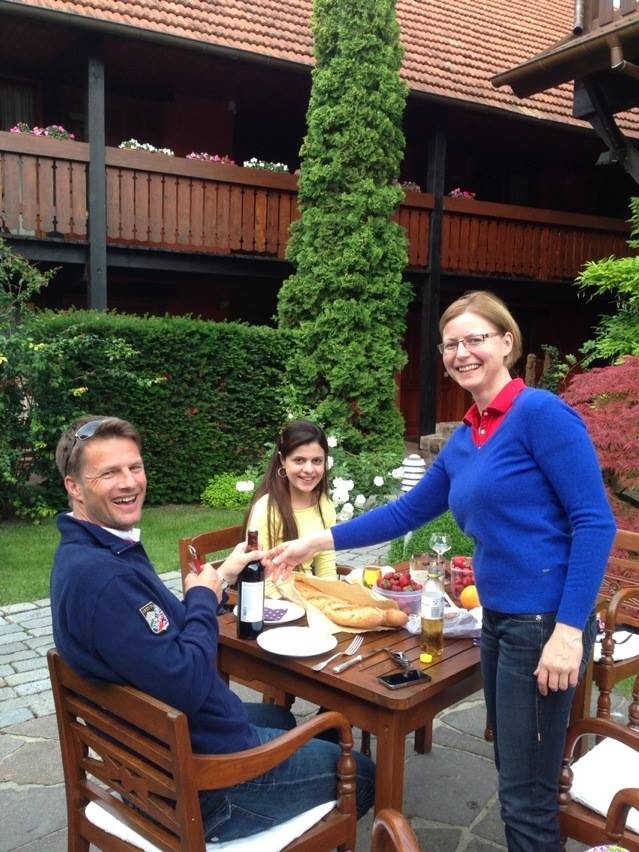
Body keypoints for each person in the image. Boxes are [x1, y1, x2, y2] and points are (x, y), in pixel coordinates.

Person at [270, 291, 616, 851]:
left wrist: (569, 631)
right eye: (451, 343)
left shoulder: (540, 415)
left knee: (526, 793)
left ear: (507, 343)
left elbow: (594, 523)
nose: (461, 352)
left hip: (543, 622)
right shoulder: (467, 436)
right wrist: (318, 538)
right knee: (514, 769)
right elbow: (407, 510)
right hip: (499, 621)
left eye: (475, 339)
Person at [50, 415, 374, 842]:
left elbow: (160, 636)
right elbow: (188, 681)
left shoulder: (95, 551)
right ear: (74, 486)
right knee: (363, 770)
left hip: (159, 749)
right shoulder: (105, 580)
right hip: (201, 786)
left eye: (135, 467)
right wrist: (201, 597)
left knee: (279, 713)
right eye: (109, 472)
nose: (129, 482)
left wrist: (218, 581)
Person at [244, 419, 338, 595]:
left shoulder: (324, 504)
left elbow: (326, 569)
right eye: (299, 460)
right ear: (282, 460)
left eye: (317, 460)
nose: (309, 469)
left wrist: (332, 601)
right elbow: (262, 579)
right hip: (273, 605)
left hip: (311, 598)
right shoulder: (266, 509)